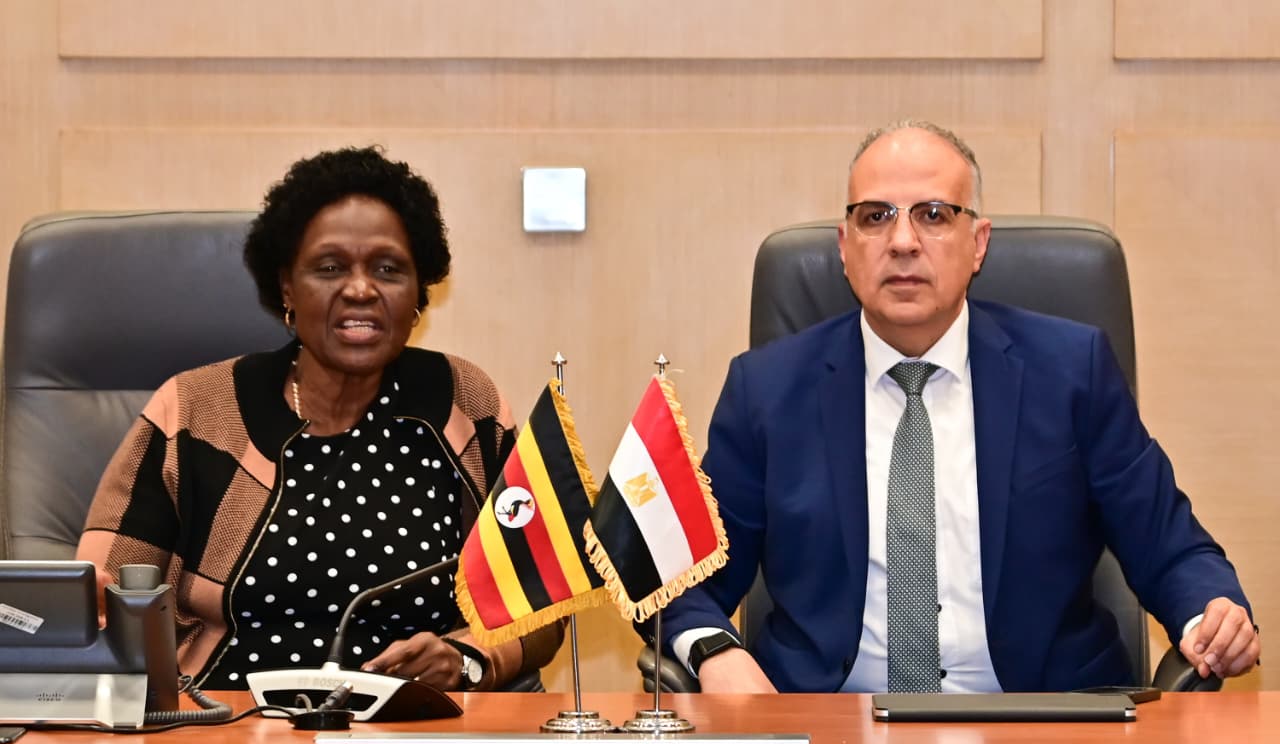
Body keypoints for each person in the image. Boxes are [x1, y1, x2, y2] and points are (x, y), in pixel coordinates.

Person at [658, 120, 1260, 694]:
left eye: (934, 215)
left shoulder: (1072, 371)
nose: (902, 242)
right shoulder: (767, 390)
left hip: (1044, 727)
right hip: (830, 728)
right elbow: (679, 578)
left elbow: (1171, 546)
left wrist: (1210, 614)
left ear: (978, 243)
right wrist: (715, 653)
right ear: (845, 247)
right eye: (876, 217)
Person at [77, 146, 562, 691]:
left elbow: (542, 602)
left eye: (388, 269)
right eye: (330, 268)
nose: (360, 289)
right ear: (287, 286)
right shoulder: (194, 410)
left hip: (415, 726)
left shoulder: (462, 403)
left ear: (418, 292)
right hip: (225, 721)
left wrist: (466, 658)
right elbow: (100, 604)